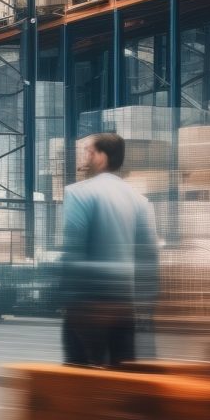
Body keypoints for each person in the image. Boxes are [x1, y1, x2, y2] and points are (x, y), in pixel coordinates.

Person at [59, 131, 159, 368]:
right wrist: (145, 304)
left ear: (101, 158)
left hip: (88, 301)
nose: (85, 157)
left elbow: (73, 248)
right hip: (124, 302)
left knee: (79, 375)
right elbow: (149, 255)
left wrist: (65, 296)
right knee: (122, 374)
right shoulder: (139, 200)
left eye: (89, 152)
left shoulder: (78, 193)